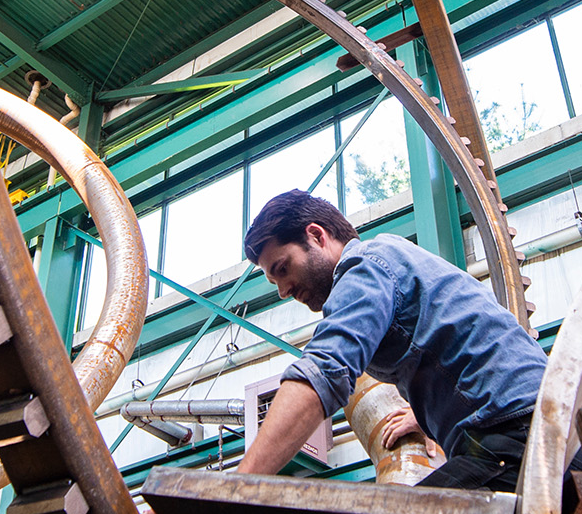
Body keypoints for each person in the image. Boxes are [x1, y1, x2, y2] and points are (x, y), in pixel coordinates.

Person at [233, 189, 551, 489]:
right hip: (533, 430)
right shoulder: (390, 256)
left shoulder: (365, 268)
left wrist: (234, 488)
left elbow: (324, 372)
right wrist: (430, 414)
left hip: (517, 438)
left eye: (283, 268)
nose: (284, 290)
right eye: (275, 281)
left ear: (317, 236)